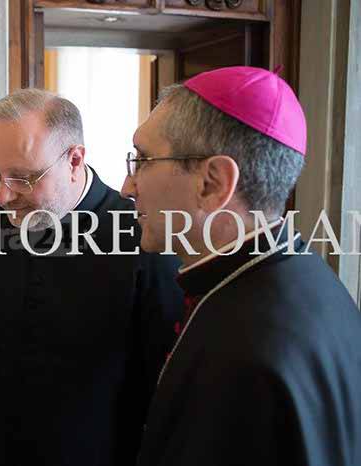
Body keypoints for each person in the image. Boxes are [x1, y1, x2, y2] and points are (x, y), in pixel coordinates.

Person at [0, 88, 184, 466]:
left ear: (75, 159)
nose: (4, 196)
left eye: (23, 178)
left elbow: (159, 387)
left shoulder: (142, 237)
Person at [122, 66, 361, 466]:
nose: (127, 187)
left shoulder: (244, 350)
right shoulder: (312, 279)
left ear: (213, 182)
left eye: (143, 159)